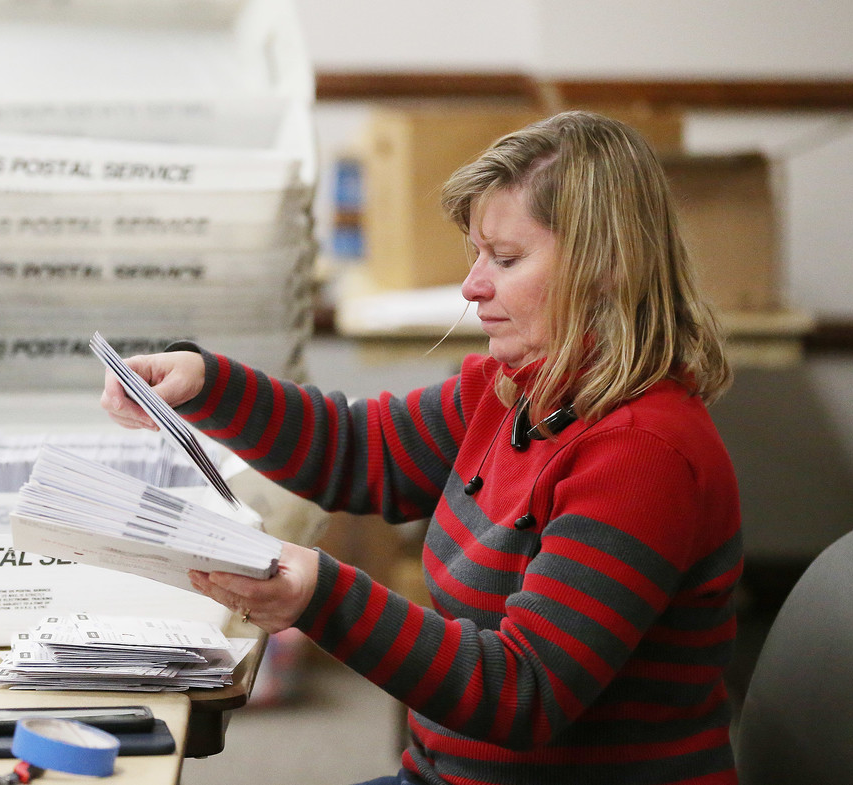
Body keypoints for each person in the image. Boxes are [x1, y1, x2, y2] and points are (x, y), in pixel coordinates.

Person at [101, 110, 741, 785]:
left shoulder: (643, 454)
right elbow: (359, 451)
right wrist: (206, 382)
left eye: (506, 258)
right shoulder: (513, 389)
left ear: (605, 264)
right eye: (477, 254)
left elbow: (522, 693)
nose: (473, 285)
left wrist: (321, 593)